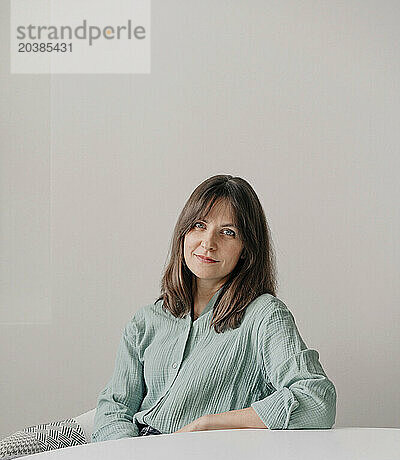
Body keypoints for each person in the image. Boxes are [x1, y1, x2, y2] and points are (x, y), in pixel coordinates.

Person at [91, 174, 336, 442]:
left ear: (246, 249)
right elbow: (114, 407)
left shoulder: (264, 315)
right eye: (199, 225)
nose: (208, 243)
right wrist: (130, 457)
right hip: (133, 458)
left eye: (228, 232)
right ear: (184, 233)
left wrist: (208, 424)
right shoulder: (147, 320)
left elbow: (317, 400)